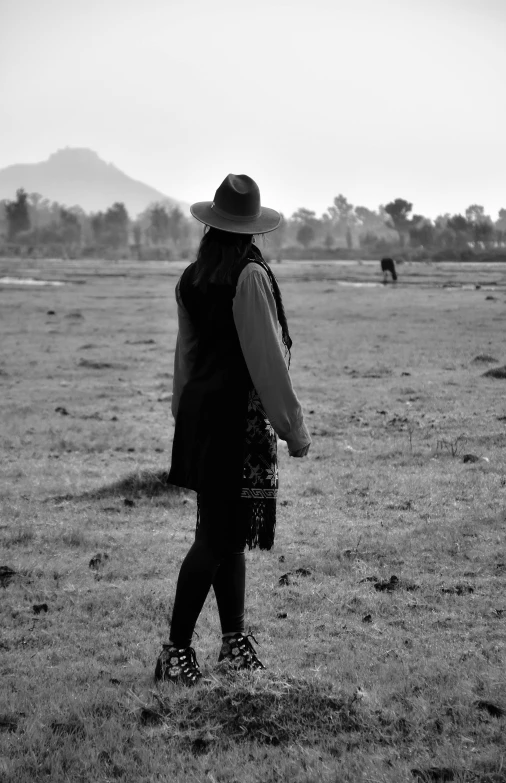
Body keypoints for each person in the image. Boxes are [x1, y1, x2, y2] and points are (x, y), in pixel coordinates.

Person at [154, 174, 311, 685]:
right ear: (252, 230)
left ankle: (233, 643)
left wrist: (184, 419)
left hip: (201, 418)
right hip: (234, 423)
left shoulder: (193, 276)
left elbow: (187, 357)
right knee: (216, 538)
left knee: (227, 534)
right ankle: (174, 652)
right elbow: (266, 360)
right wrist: (292, 428)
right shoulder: (249, 277)